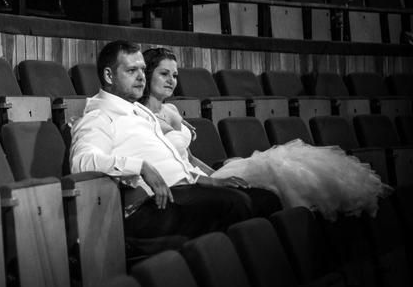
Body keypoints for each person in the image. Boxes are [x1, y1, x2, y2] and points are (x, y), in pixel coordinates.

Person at [139, 46, 392, 222]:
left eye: (175, 75)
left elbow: (190, 157)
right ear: (148, 74)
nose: (172, 80)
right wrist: (210, 181)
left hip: (202, 174)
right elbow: (173, 163)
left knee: (281, 168)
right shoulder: (139, 116)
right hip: (186, 182)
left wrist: (214, 175)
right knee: (270, 179)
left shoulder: (173, 110)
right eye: (164, 74)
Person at [69, 40, 282, 240]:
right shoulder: (99, 116)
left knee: (266, 199)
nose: (141, 77)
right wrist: (140, 166)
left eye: (143, 69)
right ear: (109, 75)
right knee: (236, 204)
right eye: (132, 70)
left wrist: (212, 181)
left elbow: (175, 165)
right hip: (151, 205)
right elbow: (82, 162)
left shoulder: (138, 111)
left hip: (182, 189)